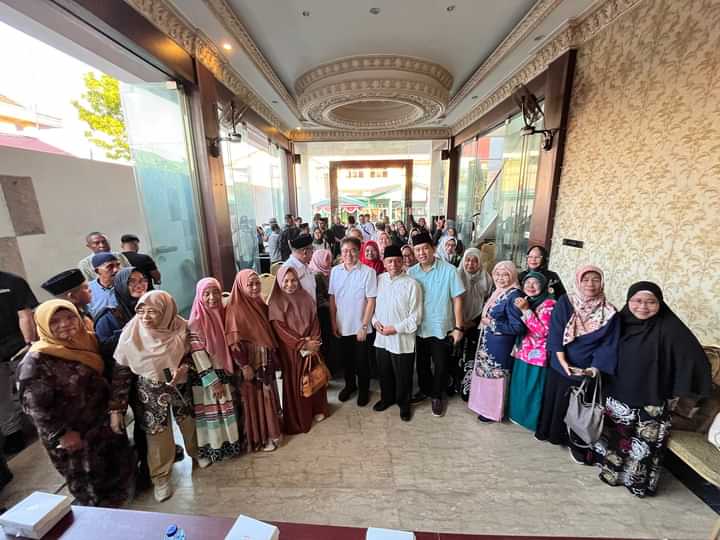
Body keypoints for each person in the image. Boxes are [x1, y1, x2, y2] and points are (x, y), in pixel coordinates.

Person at [588, 282, 711, 497]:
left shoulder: (670, 327)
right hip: (618, 395)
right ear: (628, 301)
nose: (643, 307)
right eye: (637, 301)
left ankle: (637, 484)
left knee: (644, 446)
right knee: (617, 438)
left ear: (660, 303)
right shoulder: (619, 322)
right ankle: (612, 474)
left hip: (652, 399)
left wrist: (677, 387)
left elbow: (695, 359)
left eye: (651, 302)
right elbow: (597, 345)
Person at [18, 300, 134, 506]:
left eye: (70, 317)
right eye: (55, 321)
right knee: (90, 486)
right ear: (42, 325)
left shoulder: (89, 341)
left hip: (103, 424)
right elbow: (34, 406)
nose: (65, 324)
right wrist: (61, 434)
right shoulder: (36, 360)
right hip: (74, 436)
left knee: (117, 475)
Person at [111, 291, 201, 502]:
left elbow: (195, 354)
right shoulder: (131, 333)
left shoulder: (182, 327)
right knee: (157, 433)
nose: (145, 317)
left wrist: (186, 368)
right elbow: (120, 373)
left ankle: (198, 454)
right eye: (141, 311)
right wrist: (117, 409)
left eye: (152, 312)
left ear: (166, 312)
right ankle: (161, 477)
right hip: (149, 392)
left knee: (189, 422)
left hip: (179, 385)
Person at [536, 265, 619, 464]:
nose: (590, 284)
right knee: (556, 400)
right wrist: (563, 362)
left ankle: (573, 441)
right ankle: (550, 433)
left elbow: (608, 344)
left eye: (595, 279)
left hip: (586, 368)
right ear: (578, 282)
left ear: (602, 283)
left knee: (578, 405)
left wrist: (594, 368)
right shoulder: (566, 302)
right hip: (560, 362)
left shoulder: (610, 312)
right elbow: (556, 332)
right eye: (585, 279)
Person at [408, 232, 465, 417]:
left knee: (441, 365)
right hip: (419, 327)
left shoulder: (449, 270)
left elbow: (457, 299)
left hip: (441, 326)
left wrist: (458, 327)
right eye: (417, 250)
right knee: (422, 364)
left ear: (433, 249)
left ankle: (437, 395)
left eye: (425, 248)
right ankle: (425, 390)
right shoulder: (411, 272)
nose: (421, 253)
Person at [225, 270, 282, 451]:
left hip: (264, 361)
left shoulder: (259, 303)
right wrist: (244, 366)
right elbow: (234, 342)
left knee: (268, 395)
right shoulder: (234, 309)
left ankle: (273, 431)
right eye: (250, 284)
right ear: (241, 285)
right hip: (251, 363)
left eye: (257, 283)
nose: (255, 288)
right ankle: (262, 437)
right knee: (255, 400)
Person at [188, 278, 243, 461]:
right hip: (210, 379)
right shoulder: (196, 323)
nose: (212, 297)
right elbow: (198, 355)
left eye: (216, 292)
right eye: (206, 294)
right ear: (199, 296)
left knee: (228, 412)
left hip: (225, 372)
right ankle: (216, 450)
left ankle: (232, 446)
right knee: (214, 416)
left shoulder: (224, 314)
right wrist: (213, 381)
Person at [269, 267, 328, 433]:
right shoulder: (276, 301)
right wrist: (301, 344)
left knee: (314, 376)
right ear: (279, 282)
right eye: (286, 281)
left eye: (293, 280)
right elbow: (280, 329)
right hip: (291, 350)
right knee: (298, 381)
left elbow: (315, 320)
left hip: (311, 345)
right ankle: (300, 417)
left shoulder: (305, 296)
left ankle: (317, 409)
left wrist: (314, 340)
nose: (290, 284)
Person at [467, 261, 525, 422]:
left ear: (512, 275)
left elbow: (518, 327)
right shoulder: (499, 291)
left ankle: (493, 411)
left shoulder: (514, 296)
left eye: (505, 274)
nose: (500, 278)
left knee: (496, 378)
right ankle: (484, 406)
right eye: (497, 274)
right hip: (489, 342)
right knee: (486, 375)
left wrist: (492, 323)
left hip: (501, 345)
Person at [372, 245, 422, 421]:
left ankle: (404, 404)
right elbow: (371, 306)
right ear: (384, 263)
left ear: (402, 262)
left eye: (397, 261)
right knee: (384, 372)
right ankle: (387, 398)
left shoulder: (412, 284)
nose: (393, 264)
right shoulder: (378, 280)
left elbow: (416, 316)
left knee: (403, 375)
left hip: (402, 338)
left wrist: (395, 328)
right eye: (390, 261)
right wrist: (375, 322)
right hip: (381, 337)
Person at [329, 237, 378, 405]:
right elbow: (332, 299)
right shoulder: (335, 271)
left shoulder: (368, 272)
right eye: (345, 251)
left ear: (359, 251)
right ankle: (350, 386)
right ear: (340, 252)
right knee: (346, 359)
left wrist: (364, 326)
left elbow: (371, 300)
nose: (348, 254)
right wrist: (333, 322)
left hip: (360, 326)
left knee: (362, 361)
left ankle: (364, 390)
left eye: (352, 250)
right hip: (342, 324)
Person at [507, 272, 557, 430]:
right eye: (527, 283)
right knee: (520, 385)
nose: (530, 286)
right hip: (522, 350)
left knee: (532, 389)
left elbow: (543, 332)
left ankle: (530, 421)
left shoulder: (549, 304)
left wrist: (526, 310)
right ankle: (516, 415)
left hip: (537, 355)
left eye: (535, 283)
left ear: (543, 286)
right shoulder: (527, 300)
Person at [0, 271, 37, 458]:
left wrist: (29, 343)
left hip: (18, 346)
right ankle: (12, 433)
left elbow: (25, 315)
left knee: (31, 388)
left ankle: (43, 424)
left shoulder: (12, 281)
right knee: (2, 398)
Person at [94, 267, 149, 377]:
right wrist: (130, 331)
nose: (139, 285)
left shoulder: (156, 307)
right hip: (130, 377)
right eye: (131, 282)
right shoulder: (108, 317)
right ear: (121, 285)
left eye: (143, 280)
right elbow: (106, 351)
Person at [455, 249, 492, 401]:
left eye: (475, 260)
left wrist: (473, 322)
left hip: (477, 323)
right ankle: (453, 383)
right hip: (456, 323)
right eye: (468, 260)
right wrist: (459, 322)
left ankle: (467, 387)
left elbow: (489, 303)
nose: (470, 264)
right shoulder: (456, 276)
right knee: (454, 354)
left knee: (471, 355)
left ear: (480, 262)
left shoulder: (487, 279)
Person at [309, 249, 335, 373]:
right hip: (323, 312)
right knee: (326, 340)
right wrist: (332, 306)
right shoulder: (316, 275)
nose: (328, 261)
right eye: (326, 259)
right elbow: (319, 298)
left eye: (329, 258)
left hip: (330, 310)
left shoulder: (330, 271)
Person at [283, 234, 317, 302]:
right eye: (311, 249)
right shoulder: (288, 269)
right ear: (305, 252)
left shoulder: (306, 265)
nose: (313, 252)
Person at [87, 253, 121, 318]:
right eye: (110, 267)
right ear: (97, 271)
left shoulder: (127, 285)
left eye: (118, 265)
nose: (116, 270)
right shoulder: (88, 291)